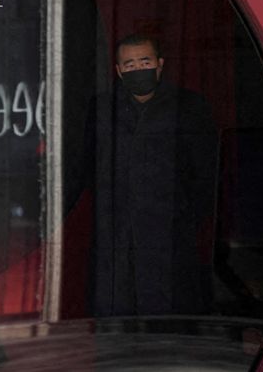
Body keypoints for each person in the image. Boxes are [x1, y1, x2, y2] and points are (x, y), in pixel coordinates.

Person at [84, 33, 220, 317]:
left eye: (144, 61)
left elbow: (206, 173)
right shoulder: (102, 109)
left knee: (170, 313)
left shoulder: (189, 107)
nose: (138, 69)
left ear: (159, 65)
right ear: (119, 71)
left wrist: (184, 217)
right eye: (129, 65)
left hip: (170, 234)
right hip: (117, 236)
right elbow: (88, 166)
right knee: (119, 314)